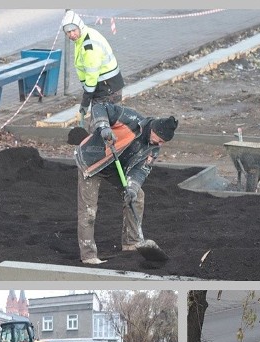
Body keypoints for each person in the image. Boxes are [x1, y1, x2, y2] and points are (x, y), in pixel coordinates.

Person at [74, 102, 177, 264]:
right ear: (154, 130)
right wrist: (103, 127)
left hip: (115, 168)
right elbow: (100, 107)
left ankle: (132, 242)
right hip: (92, 162)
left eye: (164, 142)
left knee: (137, 197)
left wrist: (132, 188)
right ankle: (88, 256)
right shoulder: (130, 118)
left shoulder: (153, 148)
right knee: (89, 211)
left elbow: (140, 170)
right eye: (160, 139)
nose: (160, 144)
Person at [61, 10, 125, 120]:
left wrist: (85, 101)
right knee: (112, 123)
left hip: (106, 88)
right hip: (108, 85)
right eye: (68, 32)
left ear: (79, 26)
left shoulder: (88, 46)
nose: (72, 34)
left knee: (100, 126)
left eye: (73, 30)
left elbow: (92, 76)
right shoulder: (84, 36)